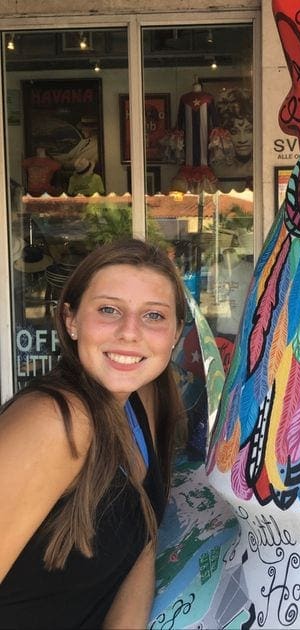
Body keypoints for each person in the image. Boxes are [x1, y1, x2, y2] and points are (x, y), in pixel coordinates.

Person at [0, 238, 187, 628]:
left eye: (153, 316)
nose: (130, 333)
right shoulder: (56, 422)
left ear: (176, 332)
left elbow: (142, 543)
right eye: (108, 310)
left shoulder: (142, 399)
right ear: (71, 320)